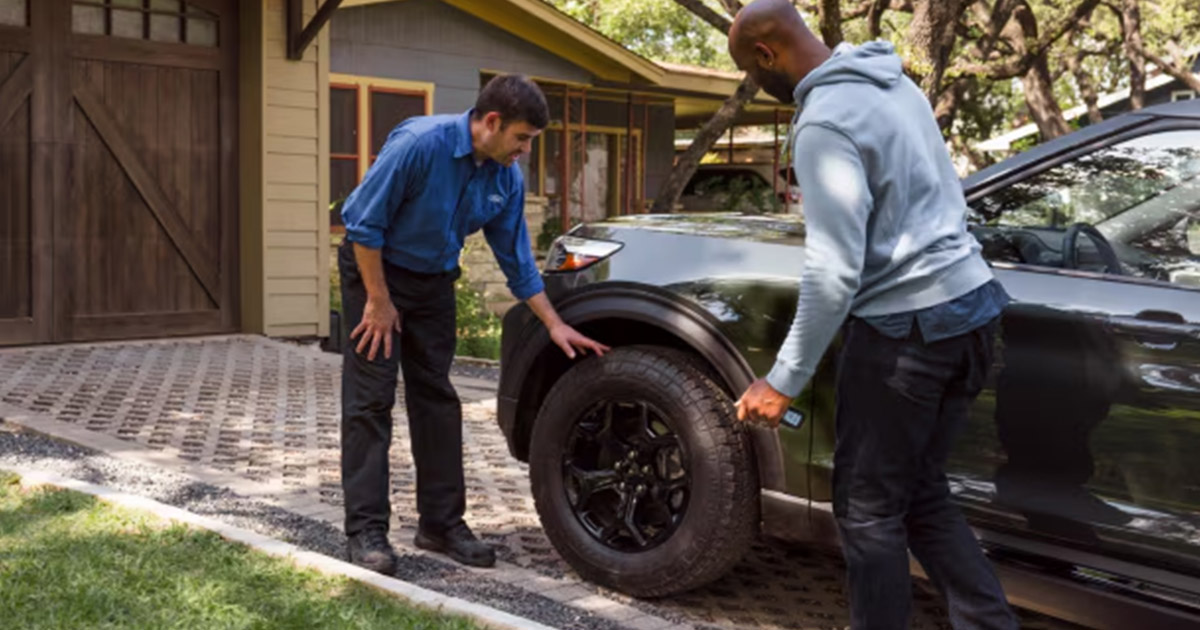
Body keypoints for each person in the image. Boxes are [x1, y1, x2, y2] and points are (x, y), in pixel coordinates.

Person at [727, 2, 1018, 628]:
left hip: (906, 336)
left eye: (753, 76)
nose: (760, 87)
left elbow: (835, 268)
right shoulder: (895, 84)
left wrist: (781, 380)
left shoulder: (824, 123)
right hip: (971, 312)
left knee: (867, 511)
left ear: (767, 56)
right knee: (919, 496)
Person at [338, 74, 609, 575]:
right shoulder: (421, 146)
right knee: (370, 400)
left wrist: (553, 324)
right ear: (491, 122)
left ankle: (440, 524)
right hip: (374, 269)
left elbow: (517, 260)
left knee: (437, 399)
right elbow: (363, 226)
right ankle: (366, 530)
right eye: (522, 139)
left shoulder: (504, 175)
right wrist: (378, 302)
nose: (525, 151)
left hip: (434, 280)